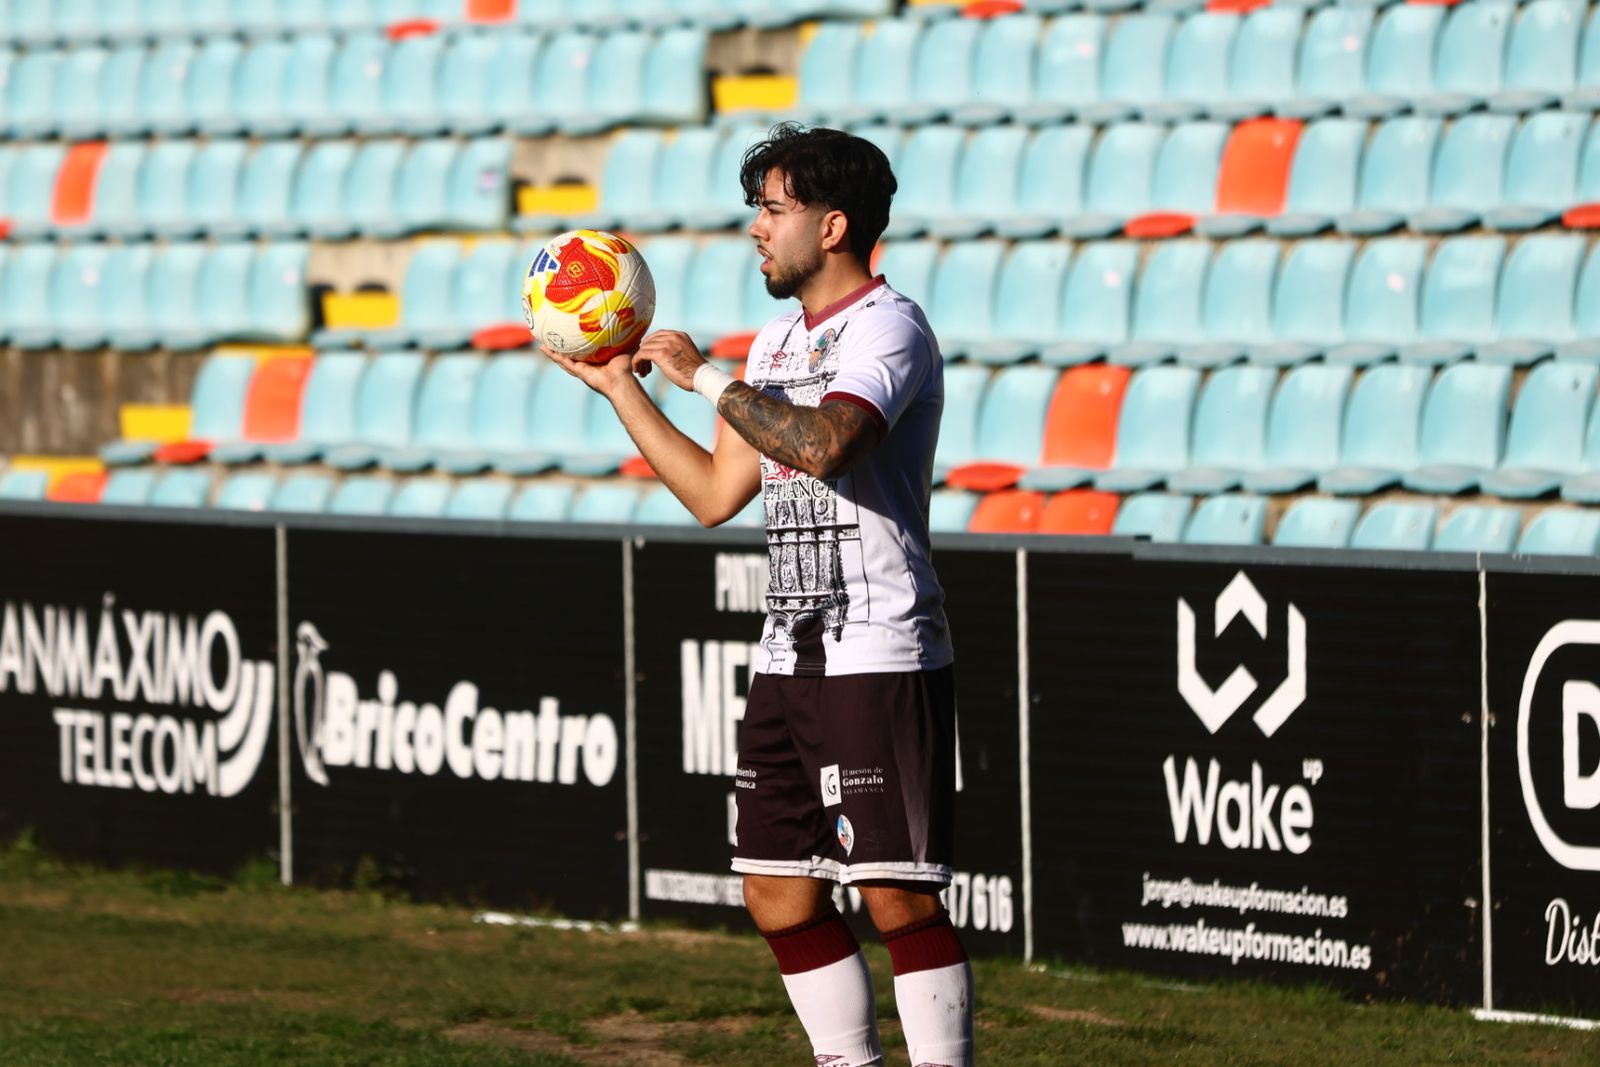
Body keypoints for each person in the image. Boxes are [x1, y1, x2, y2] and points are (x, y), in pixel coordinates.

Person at [543, 123, 972, 1067]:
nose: (756, 229)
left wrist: (701, 375)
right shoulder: (776, 339)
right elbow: (712, 495)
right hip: (791, 654)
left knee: (897, 892)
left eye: (773, 209)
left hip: (878, 646)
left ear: (832, 227)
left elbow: (825, 445)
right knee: (777, 890)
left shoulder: (889, 327)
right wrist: (624, 390)